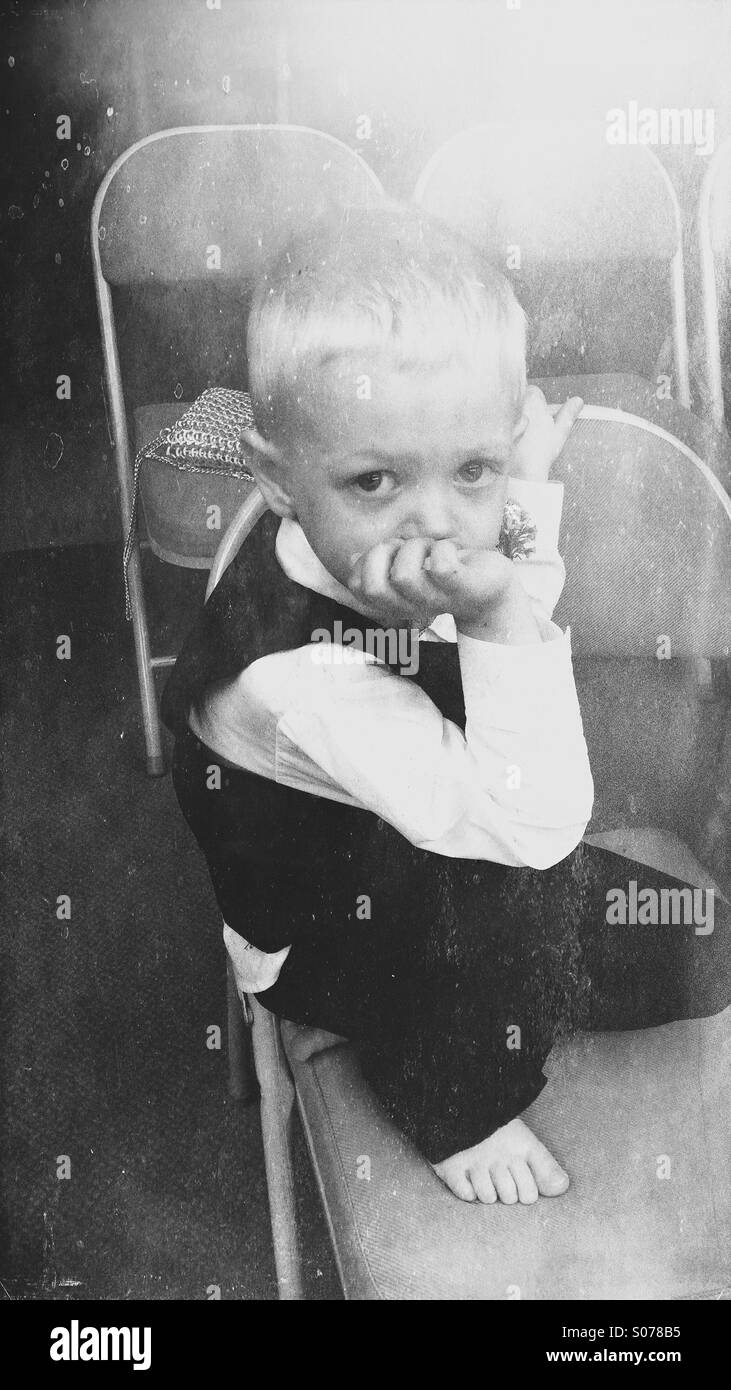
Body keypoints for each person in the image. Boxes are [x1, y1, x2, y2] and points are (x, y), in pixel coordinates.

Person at [162, 203, 730, 1206]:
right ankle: (443, 1097)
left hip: (409, 830)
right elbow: (531, 824)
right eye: (375, 477)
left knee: (704, 951)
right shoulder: (299, 676)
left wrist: (518, 496)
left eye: (468, 466)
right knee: (524, 921)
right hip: (331, 927)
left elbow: (502, 626)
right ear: (278, 478)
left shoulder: (364, 546)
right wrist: (502, 594)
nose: (433, 524)